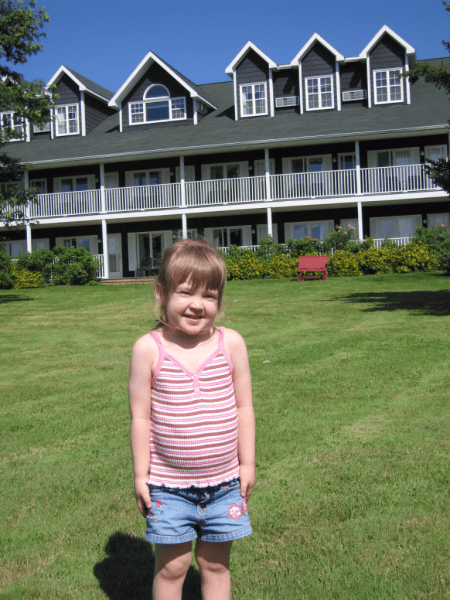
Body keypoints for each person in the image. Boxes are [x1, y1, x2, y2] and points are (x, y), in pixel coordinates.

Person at [128, 239, 255, 600]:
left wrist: (247, 464)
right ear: (161, 293)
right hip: (168, 487)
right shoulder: (148, 349)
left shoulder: (231, 344)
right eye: (185, 292)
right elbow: (140, 418)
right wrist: (141, 476)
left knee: (215, 565)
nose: (197, 305)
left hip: (225, 484)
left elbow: (244, 408)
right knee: (172, 568)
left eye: (210, 296)